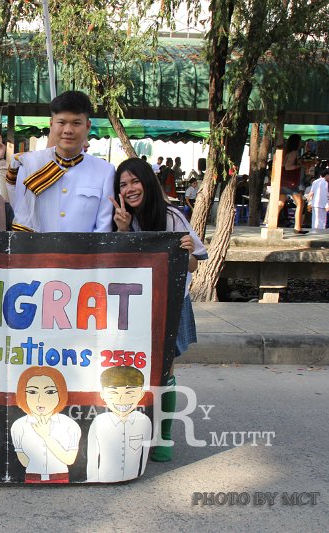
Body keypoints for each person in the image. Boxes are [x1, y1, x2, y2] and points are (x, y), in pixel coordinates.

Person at [109, 157, 207, 462]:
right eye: (123, 184)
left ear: (147, 182)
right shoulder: (121, 218)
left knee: (166, 369)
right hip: (135, 304)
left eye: (135, 181)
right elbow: (119, 264)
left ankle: (163, 436)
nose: (130, 188)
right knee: (134, 367)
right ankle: (132, 430)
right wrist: (122, 230)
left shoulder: (172, 217)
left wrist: (187, 251)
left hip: (170, 302)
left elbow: (193, 264)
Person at [8, 90, 114, 233]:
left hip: (85, 248)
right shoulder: (30, 164)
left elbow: (103, 228)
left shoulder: (104, 171)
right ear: (51, 124)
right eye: (61, 122)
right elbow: (21, 215)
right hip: (37, 247)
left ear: (88, 126)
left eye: (76, 123)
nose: (68, 130)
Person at [10, 366, 80, 483]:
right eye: (32, 392)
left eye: (50, 392)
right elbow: (23, 461)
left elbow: (70, 459)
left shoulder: (69, 425)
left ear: (60, 393)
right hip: (31, 479)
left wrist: (46, 437)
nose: (40, 399)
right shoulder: (19, 425)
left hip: (61, 479)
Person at [86, 367, 152, 483]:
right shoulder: (99, 422)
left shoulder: (144, 421)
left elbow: (144, 451)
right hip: (104, 476)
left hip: (133, 474)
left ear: (141, 394)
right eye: (113, 393)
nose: (122, 399)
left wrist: (140, 471)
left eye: (130, 393)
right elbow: (92, 455)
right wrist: (92, 477)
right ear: (102, 395)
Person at [279, 134, 313, 234]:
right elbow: (288, 167)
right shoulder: (294, 153)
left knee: (280, 203)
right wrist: (300, 165)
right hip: (291, 182)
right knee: (300, 203)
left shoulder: (286, 152)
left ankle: (271, 223)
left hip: (284, 180)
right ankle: (297, 227)